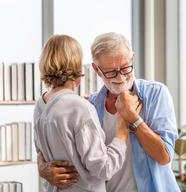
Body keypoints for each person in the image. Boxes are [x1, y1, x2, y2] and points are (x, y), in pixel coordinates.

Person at [37, 32, 180, 192]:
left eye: (125, 68)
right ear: (96, 70)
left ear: (132, 58)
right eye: (111, 72)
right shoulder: (90, 105)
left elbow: (164, 156)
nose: (120, 78)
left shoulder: (156, 94)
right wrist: (43, 169)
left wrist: (133, 118)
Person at [34, 34, 138, 192]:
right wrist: (122, 131)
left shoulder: (40, 106)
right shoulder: (80, 107)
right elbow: (103, 168)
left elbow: (42, 156)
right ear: (76, 65)